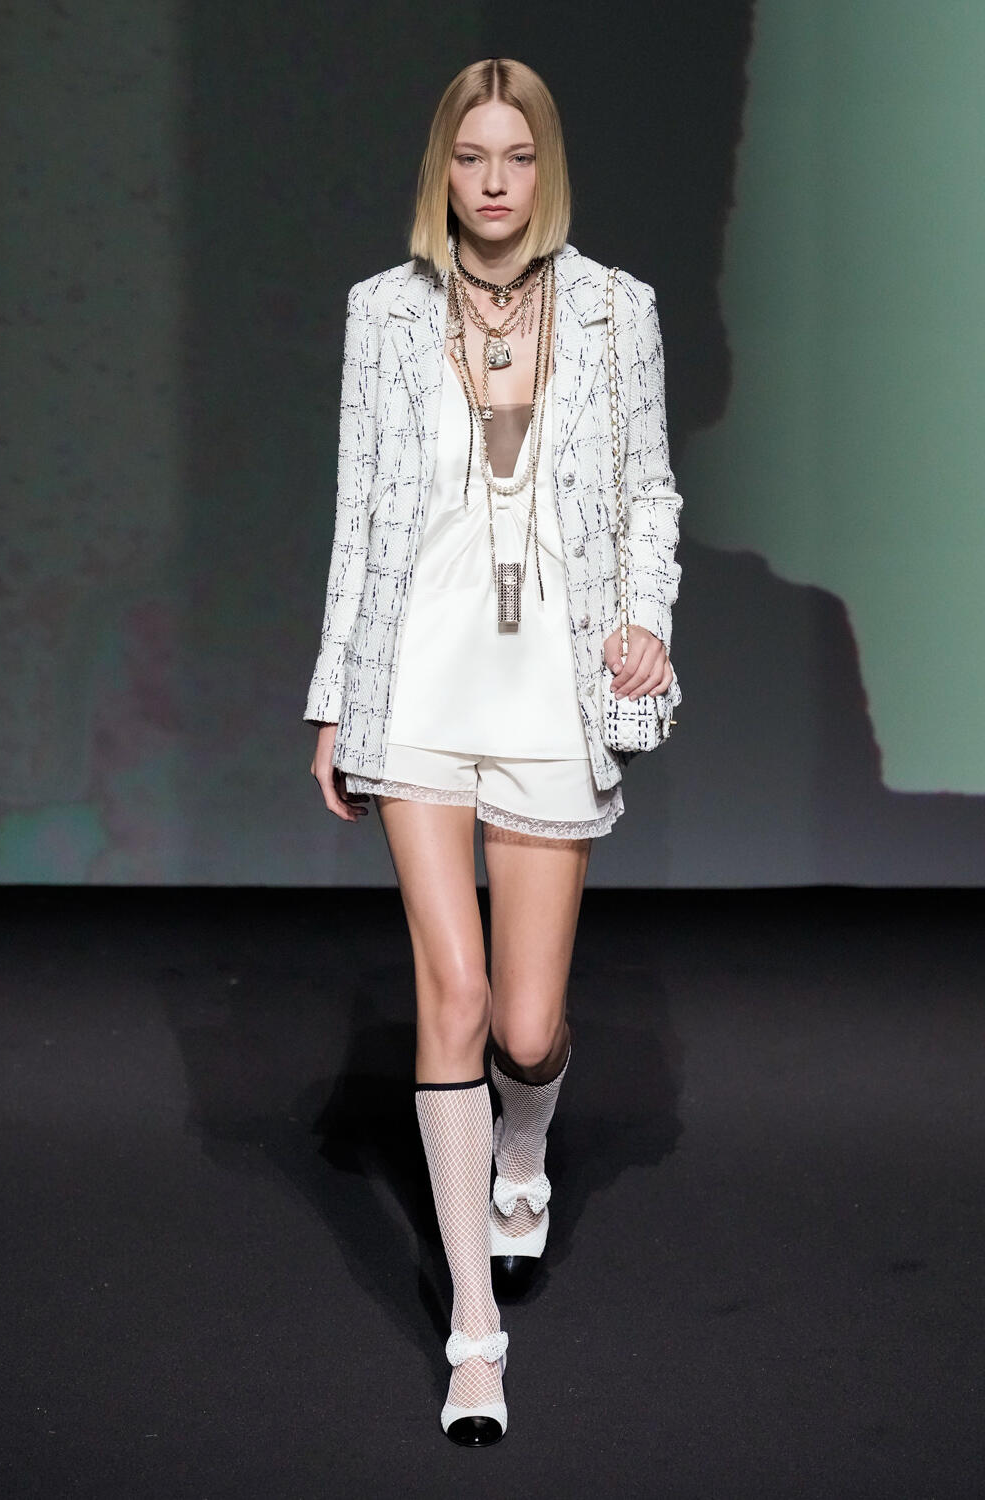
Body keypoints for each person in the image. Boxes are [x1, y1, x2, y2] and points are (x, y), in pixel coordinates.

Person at [305, 57, 682, 1447]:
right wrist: (334, 696)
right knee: (452, 993)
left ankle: (526, 1141)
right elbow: (359, 513)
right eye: (471, 157)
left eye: (517, 156)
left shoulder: (616, 309)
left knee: (527, 1026)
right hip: (419, 678)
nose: (495, 181)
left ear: (547, 166)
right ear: (442, 171)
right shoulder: (384, 313)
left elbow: (649, 490)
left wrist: (646, 620)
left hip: (550, 685)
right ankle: (475, 1325)